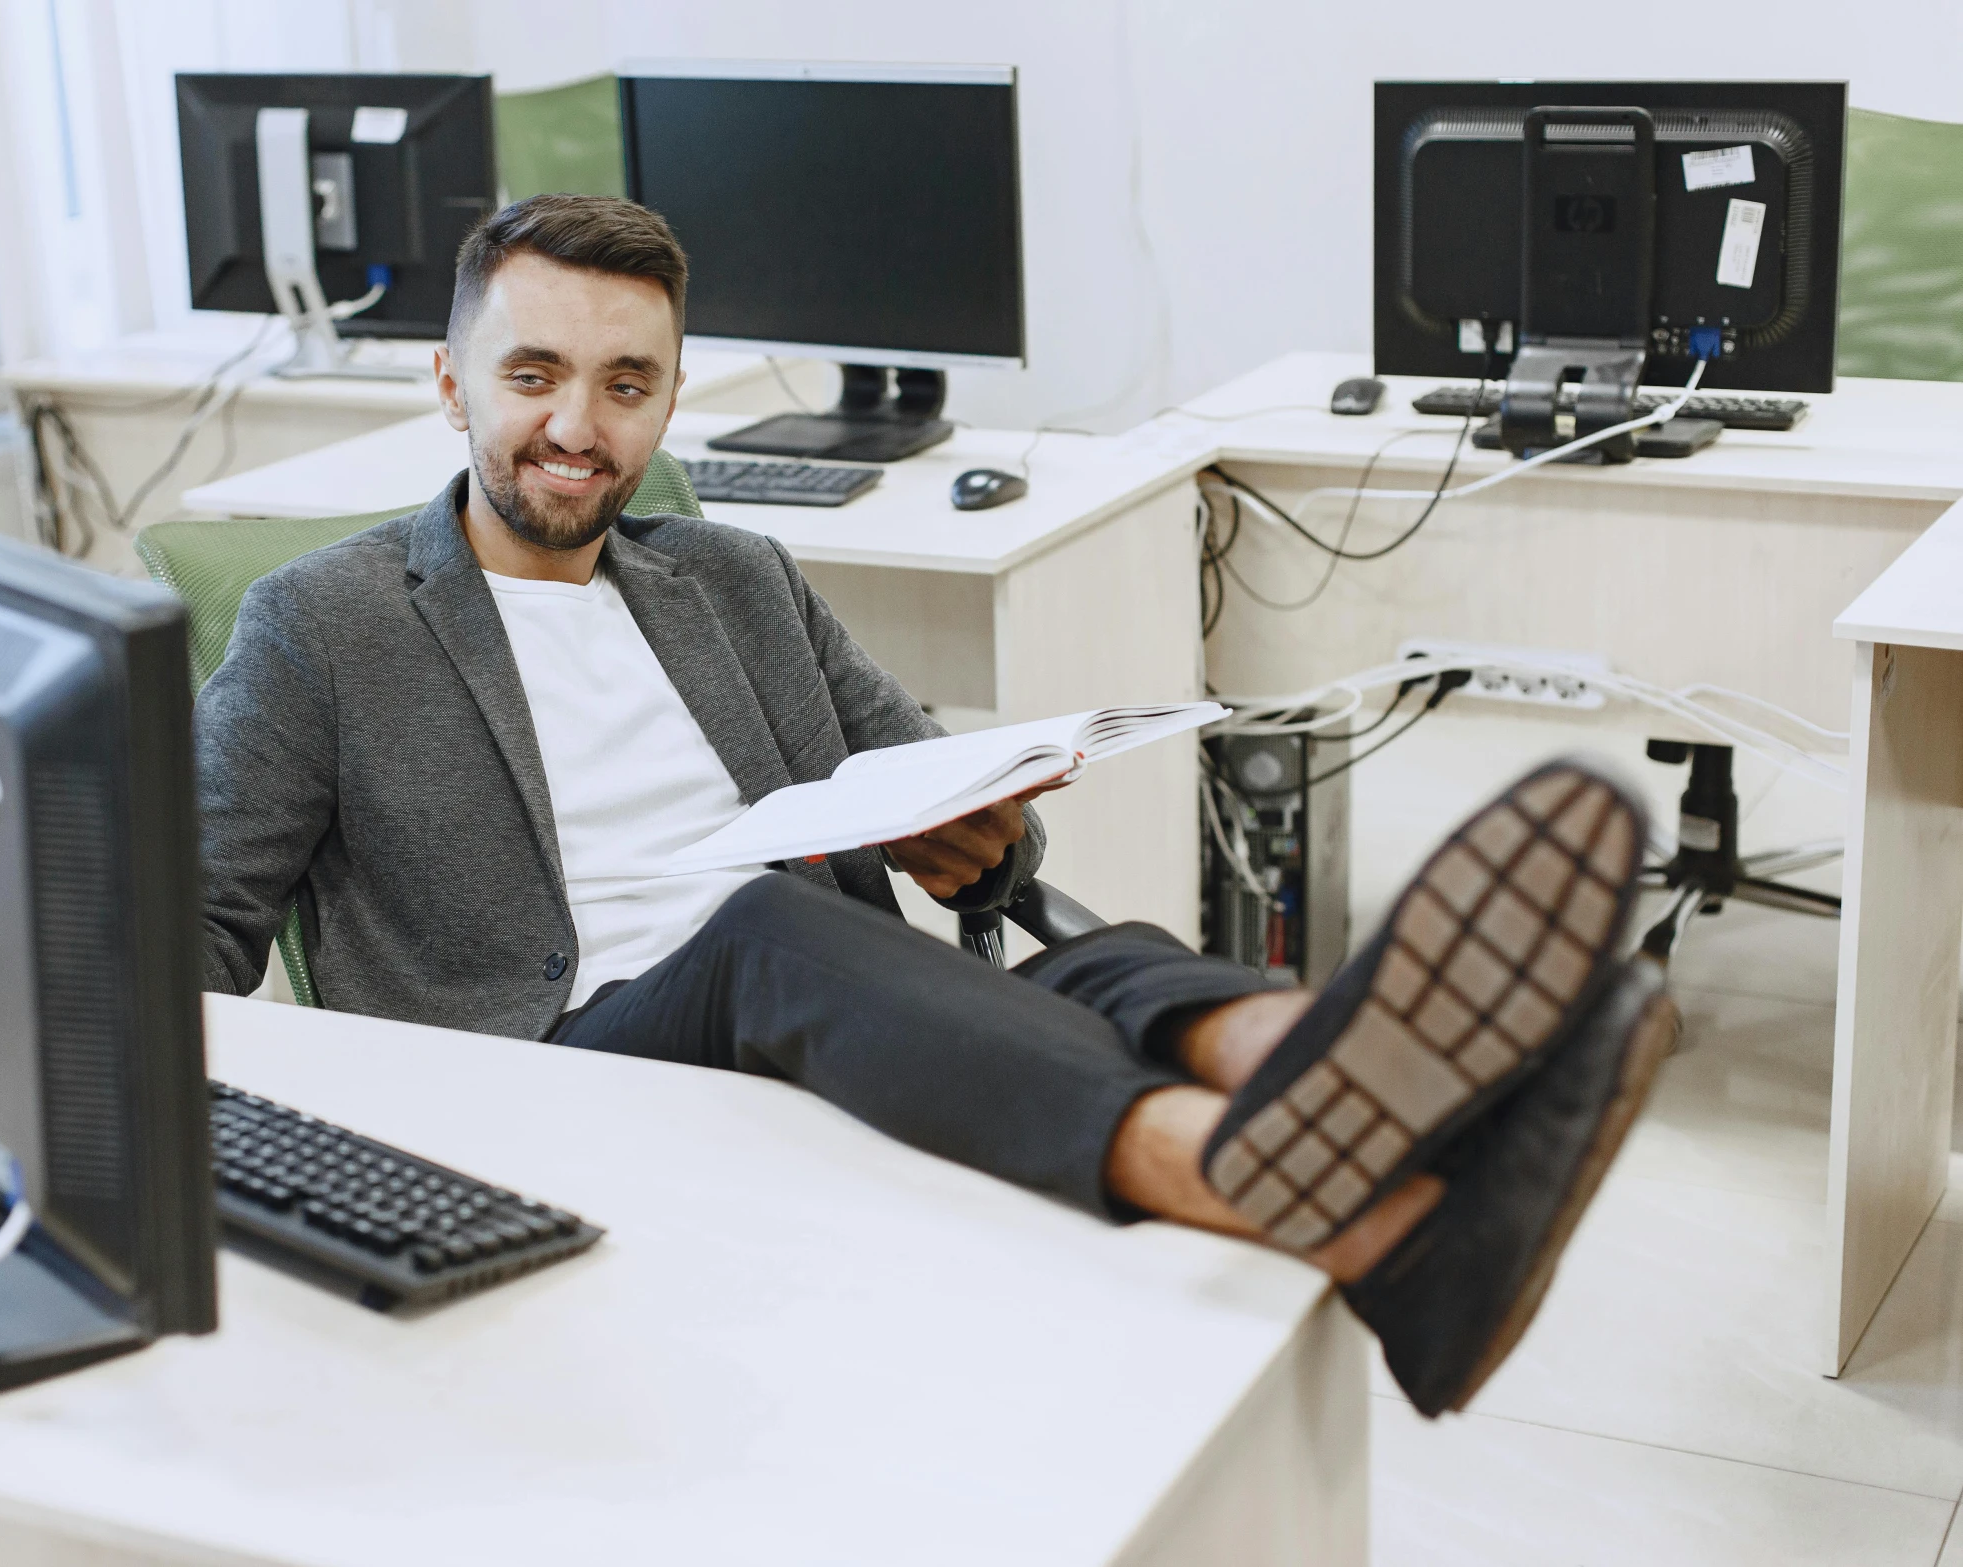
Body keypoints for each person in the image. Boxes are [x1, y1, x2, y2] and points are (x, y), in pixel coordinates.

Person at [193, 194, 1678, 1418]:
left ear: (667, 396)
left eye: (626, 383)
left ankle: (1364, 1111)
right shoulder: (321, 626)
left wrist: (973, 838)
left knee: (1101, 955)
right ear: (452, 382)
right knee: (770, 927)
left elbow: (956, 814)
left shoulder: (738, 578)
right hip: (574, 1062)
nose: (577, 424)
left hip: (808, 1000)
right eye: (532, 376)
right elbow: (191, 925)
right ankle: (1245, 1166)